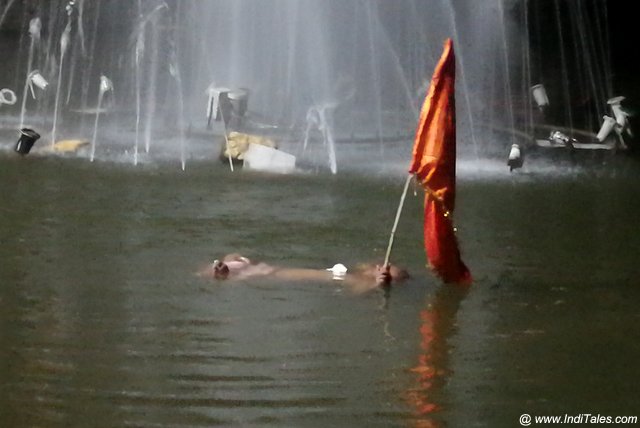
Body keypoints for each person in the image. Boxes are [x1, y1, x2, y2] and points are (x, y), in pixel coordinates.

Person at [198, 253, 409, 293]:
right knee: (231, 264)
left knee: (222, 273)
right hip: (266, 270)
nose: (383, 265)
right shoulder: (349, 272)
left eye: (387, 268)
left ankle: (221, 269)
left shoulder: (352, 279)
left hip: (269, 274)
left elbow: (359, 290)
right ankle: (223, 267)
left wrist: (378, 284)